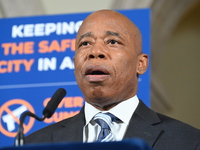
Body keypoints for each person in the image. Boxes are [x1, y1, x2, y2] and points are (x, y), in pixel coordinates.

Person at [25, 10, 200, 149]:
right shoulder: (34, 144)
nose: (95, 51)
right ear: (74, 63)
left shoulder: (189, 141)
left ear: (141, 63)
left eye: (112, 42)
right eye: (85, 43)